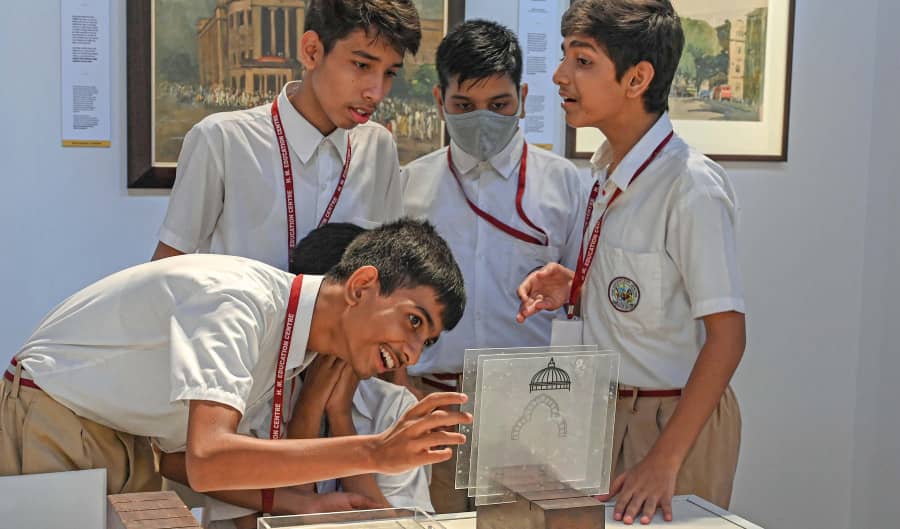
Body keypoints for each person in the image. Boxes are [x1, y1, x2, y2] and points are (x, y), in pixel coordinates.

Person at [1, 219, 470, 515]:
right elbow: (209, 461)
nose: (412, 352)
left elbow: (186, 461)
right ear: (362, 285)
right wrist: (373, 453)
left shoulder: (293, 343)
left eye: (426, 340)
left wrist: (305, 504)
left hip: (129, 440)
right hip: (58, 414)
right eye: (413, 321)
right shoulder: (240, 301)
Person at [517, 0, 746, 524]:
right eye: (564, 57)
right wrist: (576, 286)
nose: (559, 76)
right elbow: (647, 293)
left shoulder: (690, 186)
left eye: (583, 61)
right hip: (600, 412)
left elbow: (728, 335)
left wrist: (665, 459)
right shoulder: (605, 172)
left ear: (637, 78)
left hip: (670, 420)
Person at [398, 20, 587, 513]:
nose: (482, 118)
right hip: (431, 406)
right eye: (464, 106)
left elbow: (585, 310)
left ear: (523, 97)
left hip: (532, 413)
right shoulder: (408, 187)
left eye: (499, 105)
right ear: (440, 100)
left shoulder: (566, 187)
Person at [159, 223, 435, 528]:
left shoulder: (393, 406)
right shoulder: (251, 389)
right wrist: (308, 410)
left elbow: (398, 523)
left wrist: (341, 417)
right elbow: (198, 473)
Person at [151, 0, 422, 270]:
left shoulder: (378, 147)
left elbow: (388, 270)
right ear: (312, 51)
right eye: (362, 65)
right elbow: (166, 272)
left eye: (389, 73)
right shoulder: (222, 140)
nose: (376, 93)